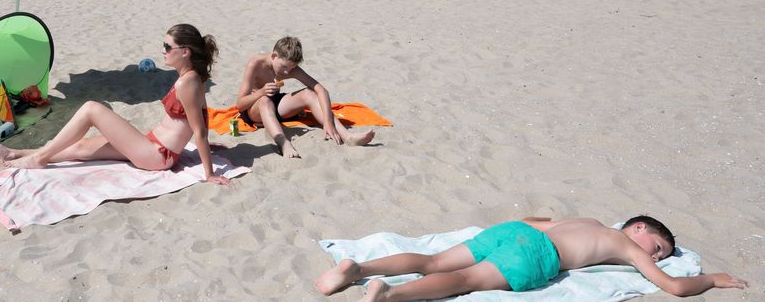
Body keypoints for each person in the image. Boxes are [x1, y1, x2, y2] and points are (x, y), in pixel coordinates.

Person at [0, 24, 233, 186]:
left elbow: (199, 129)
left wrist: (209, 173)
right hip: (150, 144)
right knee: (80, 147)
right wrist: (205, 146)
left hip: (158, 155)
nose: (163, 51)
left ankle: (39, 159)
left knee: (92, 108)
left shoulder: (187, 83)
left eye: (168, 47)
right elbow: (200, 118)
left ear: (185, 51)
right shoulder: (187, 78)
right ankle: (17, 154)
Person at [315, 215, 747, 300]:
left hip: (517, 231)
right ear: (638, 229)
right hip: (539, 251)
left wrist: (508, 233)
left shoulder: (588, 219)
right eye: (658, 247)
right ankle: (388, 295)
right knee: (464, 281)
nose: (655, 256)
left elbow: (536, 218)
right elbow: (672, 286)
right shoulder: (625, 246)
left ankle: (359, 267)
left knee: (433, 260)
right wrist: (711, 280)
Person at [234, 36, 375, 158]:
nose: (287, 72)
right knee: (265, 100)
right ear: (274, 56)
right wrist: (260, 92)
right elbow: (240, 104)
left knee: (309, 93)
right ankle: (283, 143)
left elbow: (321, 90)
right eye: (284, 67)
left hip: (274, 103)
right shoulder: (255, 64)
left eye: (291, 68)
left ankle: (347, 136)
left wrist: (327, 121)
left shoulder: (290, 67)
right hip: (253, 108)